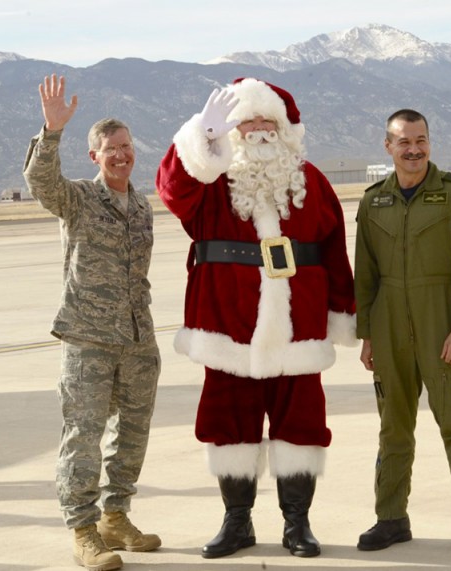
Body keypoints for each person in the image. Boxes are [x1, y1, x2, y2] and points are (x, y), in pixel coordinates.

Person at [155, 77, 357, 559]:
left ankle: (297, 525)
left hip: (299, 331)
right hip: (228, 328)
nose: (259, 129)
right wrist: (199, 138)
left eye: (269, 121)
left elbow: (334, 254)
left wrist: (344, 316)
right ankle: (237, 522)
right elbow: (171, 190)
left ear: (286, 130)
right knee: (228, 426)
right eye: (248, 121)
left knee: (302, 428)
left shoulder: (312, 181)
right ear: (232, 130)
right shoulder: (210, 184)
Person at [23, 74, 161, 571]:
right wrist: (51, 132)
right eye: (111, 149)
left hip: (137, 338)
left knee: (133, 432)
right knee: (83, 432)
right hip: (89, 339)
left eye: (126, 147)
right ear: (94, 156)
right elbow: (41, 183)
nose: (121, 155)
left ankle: (115, 517)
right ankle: (83, 530)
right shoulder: (78, 198)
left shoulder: (142, 206)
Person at [353, 109, 451, 556]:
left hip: (442, 325)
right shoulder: (373, 201)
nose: (414, 149)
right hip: (389, 325)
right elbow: (366, 276)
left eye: (421, 140)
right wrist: (367, 334)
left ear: (429, 142)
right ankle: (390, 518)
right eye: (404, 141)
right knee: (393, 428)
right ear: (387, 146)